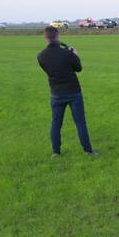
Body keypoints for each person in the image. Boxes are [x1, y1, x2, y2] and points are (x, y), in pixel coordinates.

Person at [37, 26, 96, 157]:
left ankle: (56, 152)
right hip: (73, 92)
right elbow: (78, 68)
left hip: (56, 93)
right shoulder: (67, 53)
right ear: (58, 36)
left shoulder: (41, 56)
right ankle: (88, 151)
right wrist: (75, 55)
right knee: (80, 122)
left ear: (45, 38)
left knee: (56, 123)